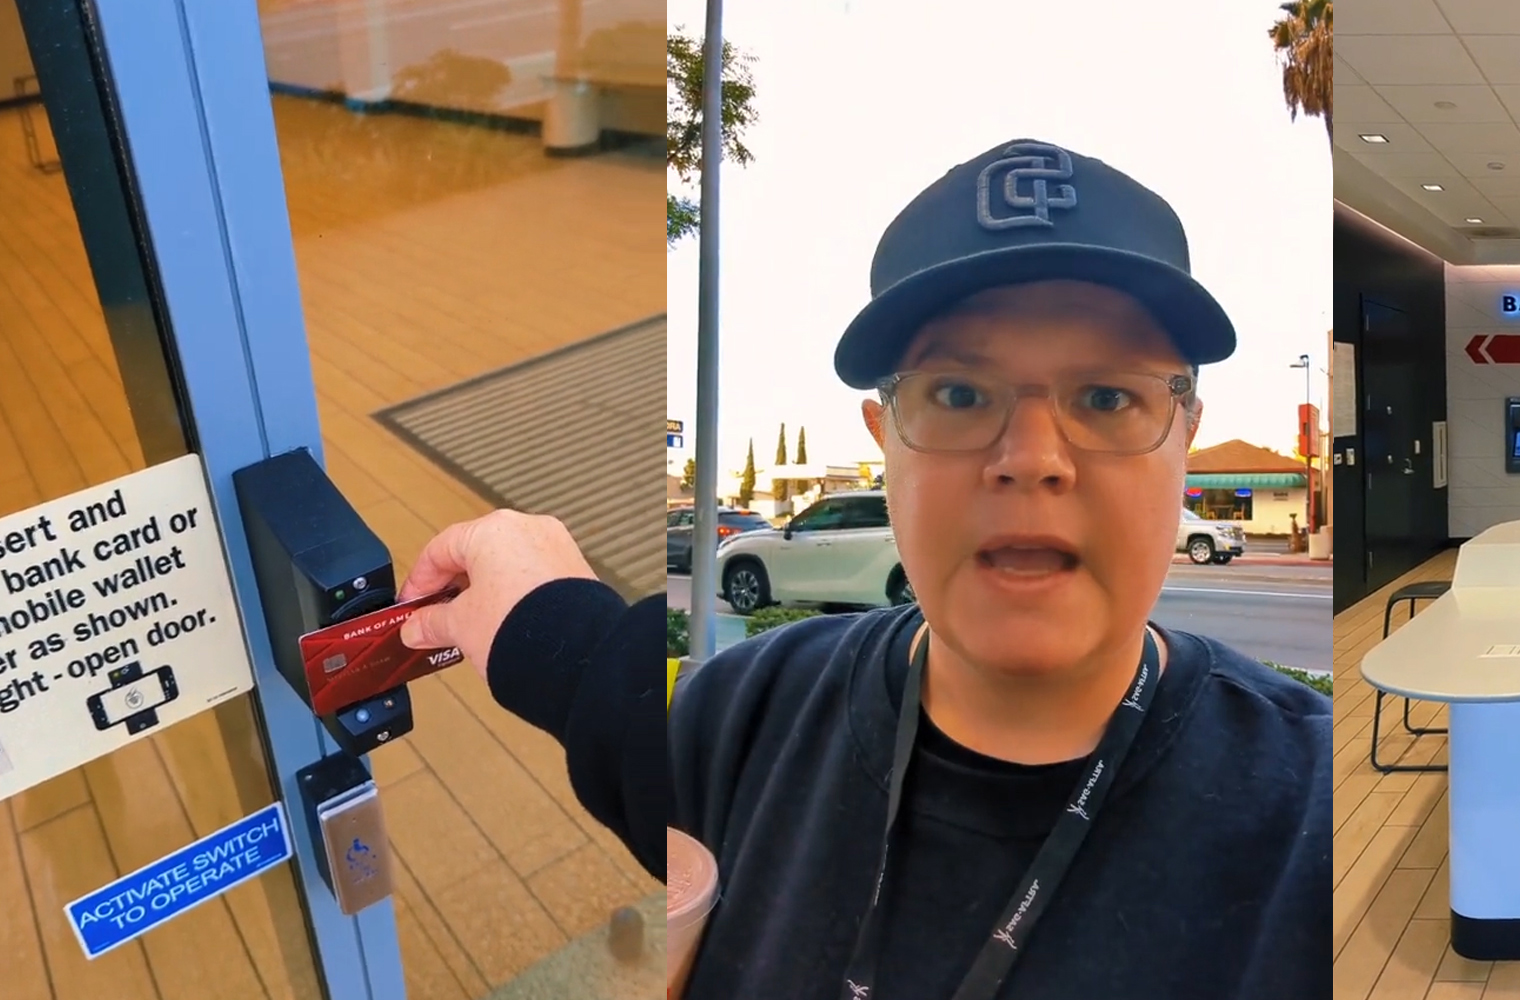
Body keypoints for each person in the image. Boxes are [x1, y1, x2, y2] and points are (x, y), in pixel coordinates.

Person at [398, 137, 1333, 999]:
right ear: (885, 439)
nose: (1032, 456)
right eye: (960, 393)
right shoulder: (744, 717)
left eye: (1106, 395)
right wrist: (561, 640)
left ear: (1187, 437)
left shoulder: (1311, 816)